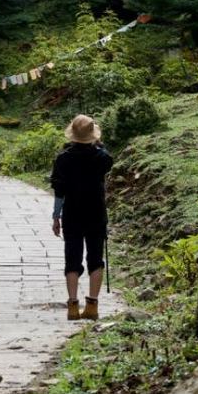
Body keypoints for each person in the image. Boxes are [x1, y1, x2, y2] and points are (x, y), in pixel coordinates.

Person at [50, 114, 113, 321]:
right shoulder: (102, 158)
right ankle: (92, 306)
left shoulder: (63, 159)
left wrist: (56, 216)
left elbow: (59, 191)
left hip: (72, 213)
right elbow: (106, 158)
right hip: (96, 212)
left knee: (72, 259)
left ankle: (72, 306)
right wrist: (98, 144)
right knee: (96, 259)